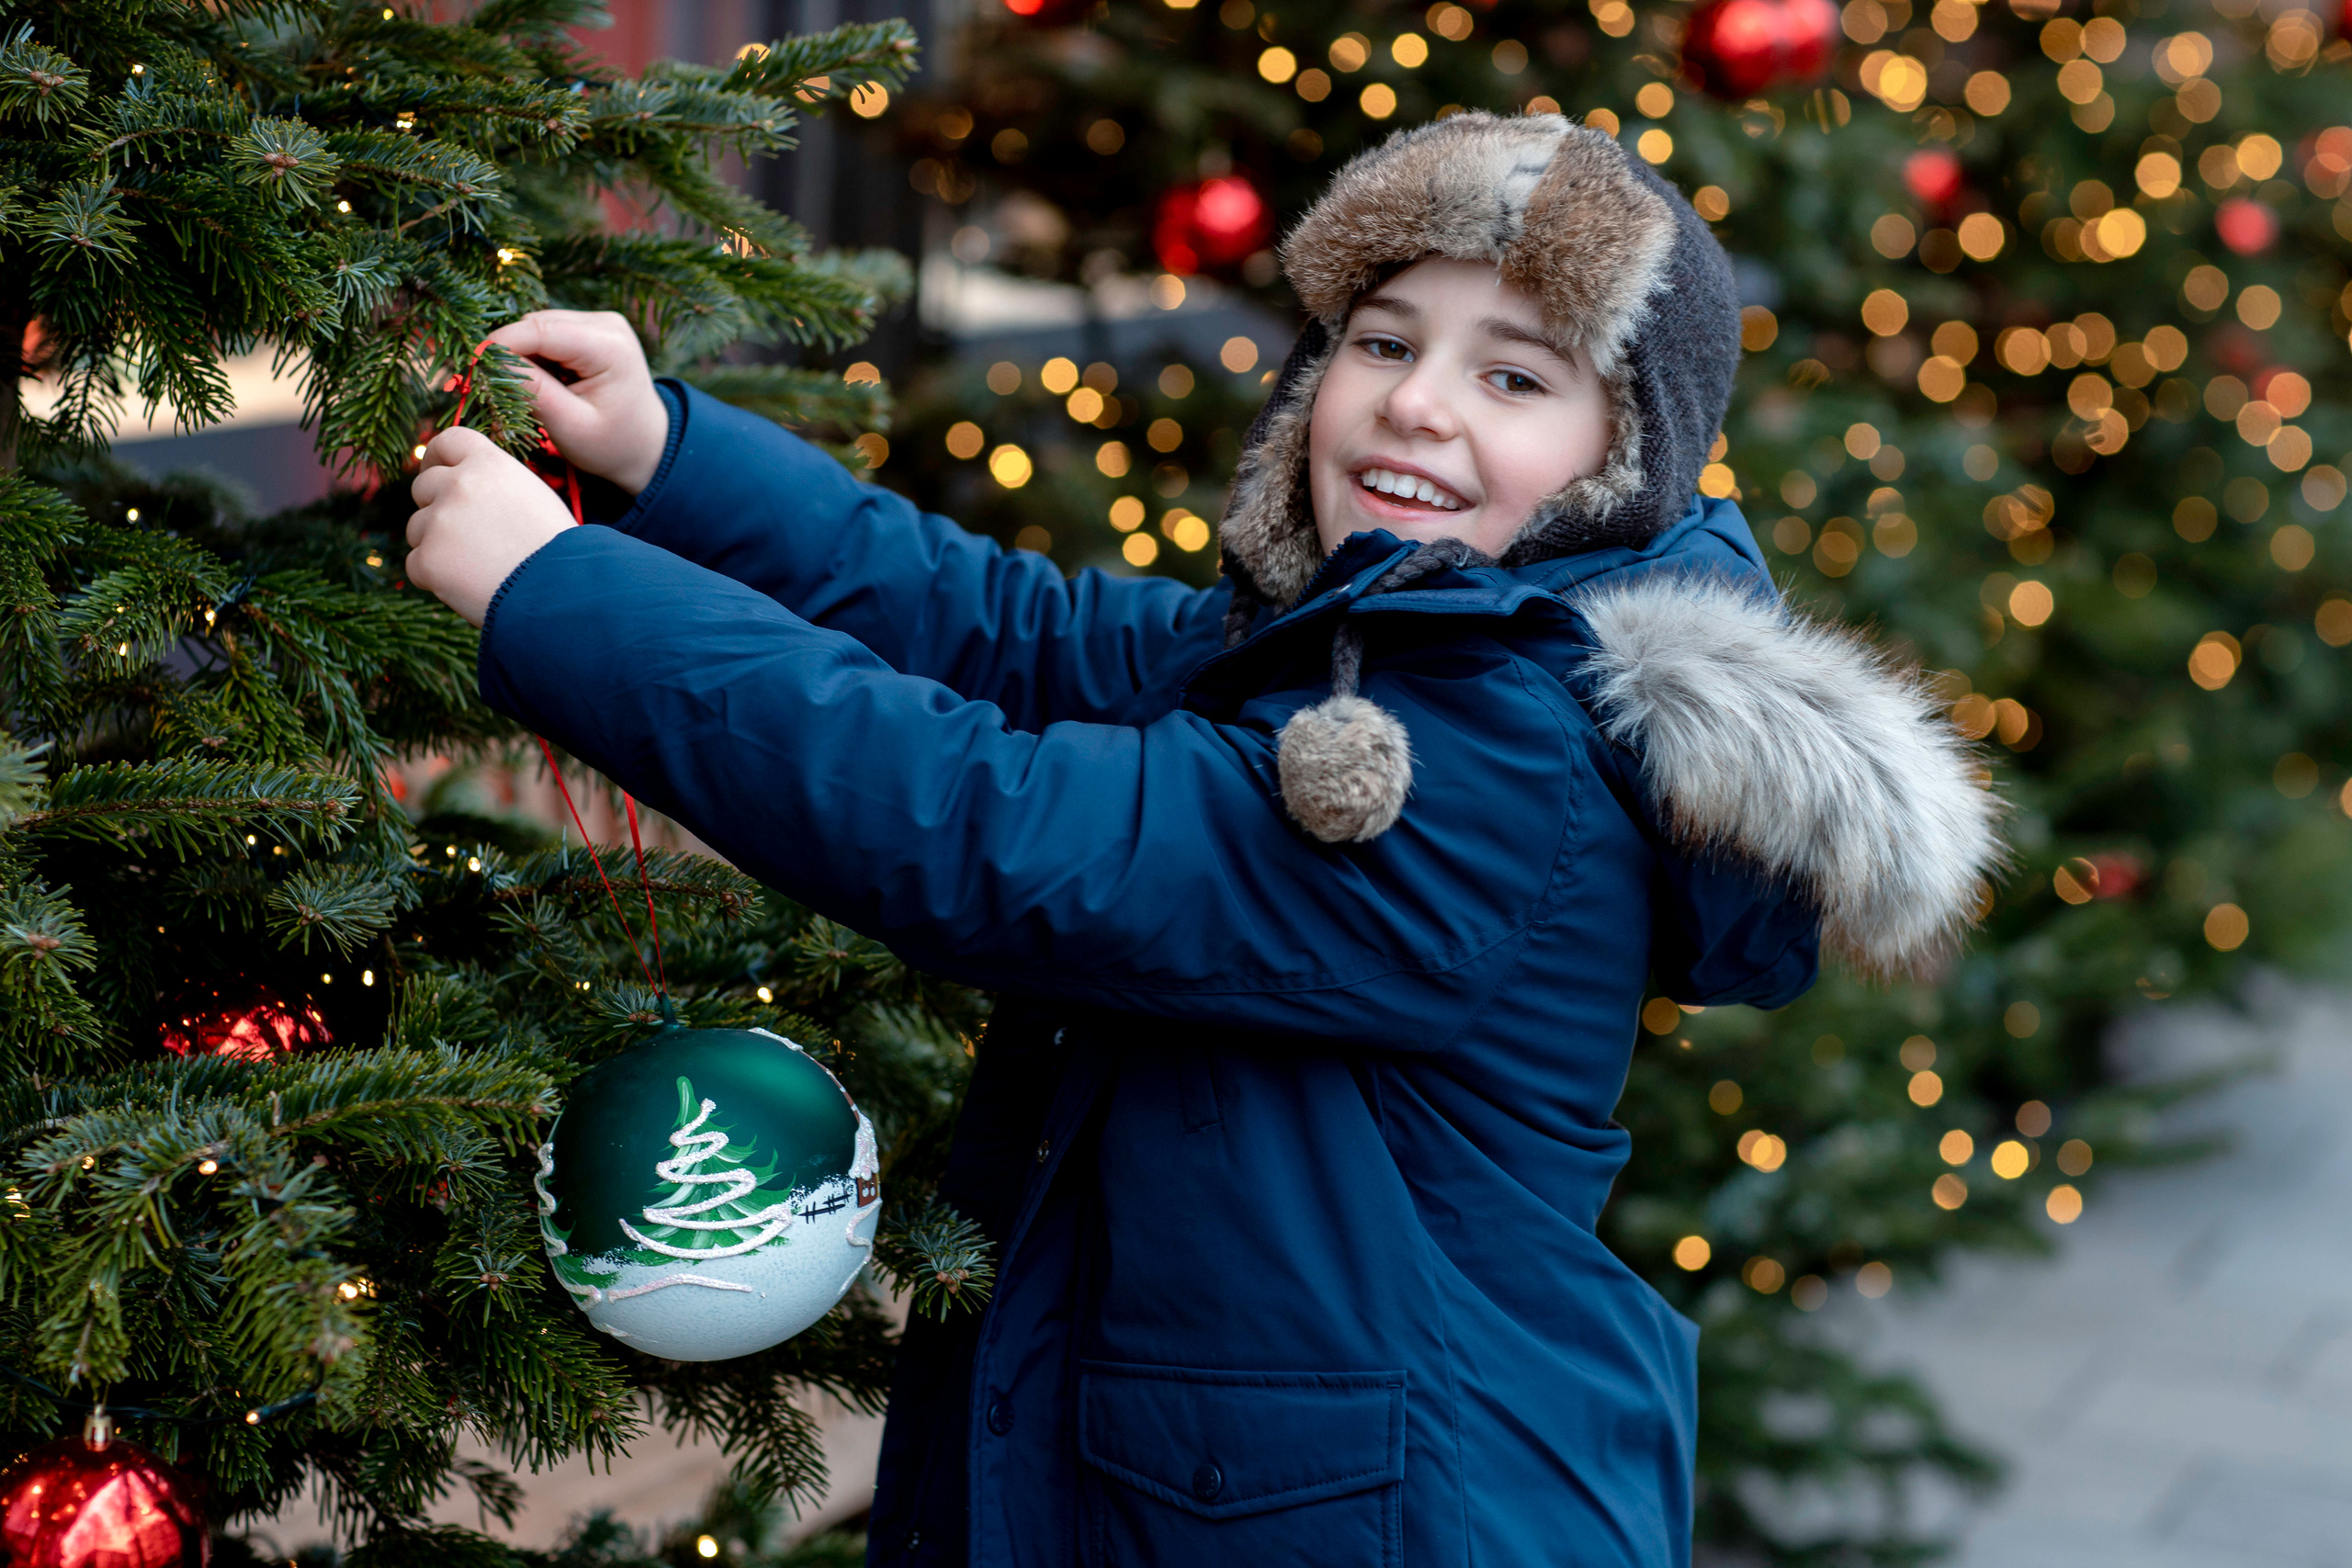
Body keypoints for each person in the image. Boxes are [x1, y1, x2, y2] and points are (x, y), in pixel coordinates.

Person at [405, 112, 2002, 1568]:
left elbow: (1000, 835)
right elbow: (1010, 630)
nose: (1419, 402)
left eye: (1516, 378)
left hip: (1391, 1524)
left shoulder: (1500, 760)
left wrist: (559, 592)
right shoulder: (1351, 654)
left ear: (1620, 465)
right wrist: (672, 460)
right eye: (1385, 340)